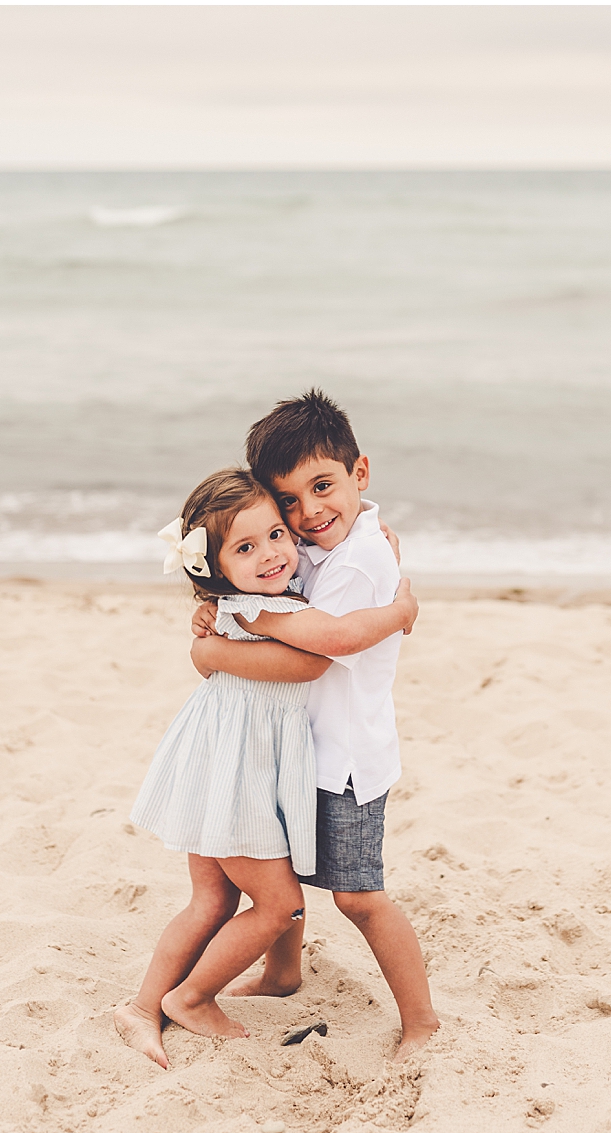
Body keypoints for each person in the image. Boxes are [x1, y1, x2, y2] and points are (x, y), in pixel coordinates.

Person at [113, 470, 417, 1065]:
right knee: (280, 905)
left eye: (277, 534)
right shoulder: (255, 612)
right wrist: (400, 607)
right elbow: (324, 654)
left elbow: (329, 557)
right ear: (216, 567)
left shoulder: (262, 594)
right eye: (245, 548)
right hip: (236, 776)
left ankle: (143, 1006)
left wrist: (382, 542)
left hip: (225, 763)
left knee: (212, 902)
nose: (274, 554)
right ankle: (192, 998)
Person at [195, 388, 441, 1061]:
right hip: (303, 750)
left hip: (348, 762)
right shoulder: (323, 542)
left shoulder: (361, 558)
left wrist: (237, 628)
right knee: (288, 870)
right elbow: (270, 566)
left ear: (360, 474)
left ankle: (421, 1019)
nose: (310, 513)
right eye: (291, 502)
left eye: (324, 486)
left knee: (360, 898)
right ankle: (282, 972)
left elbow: (318, 644)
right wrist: (224, 599)